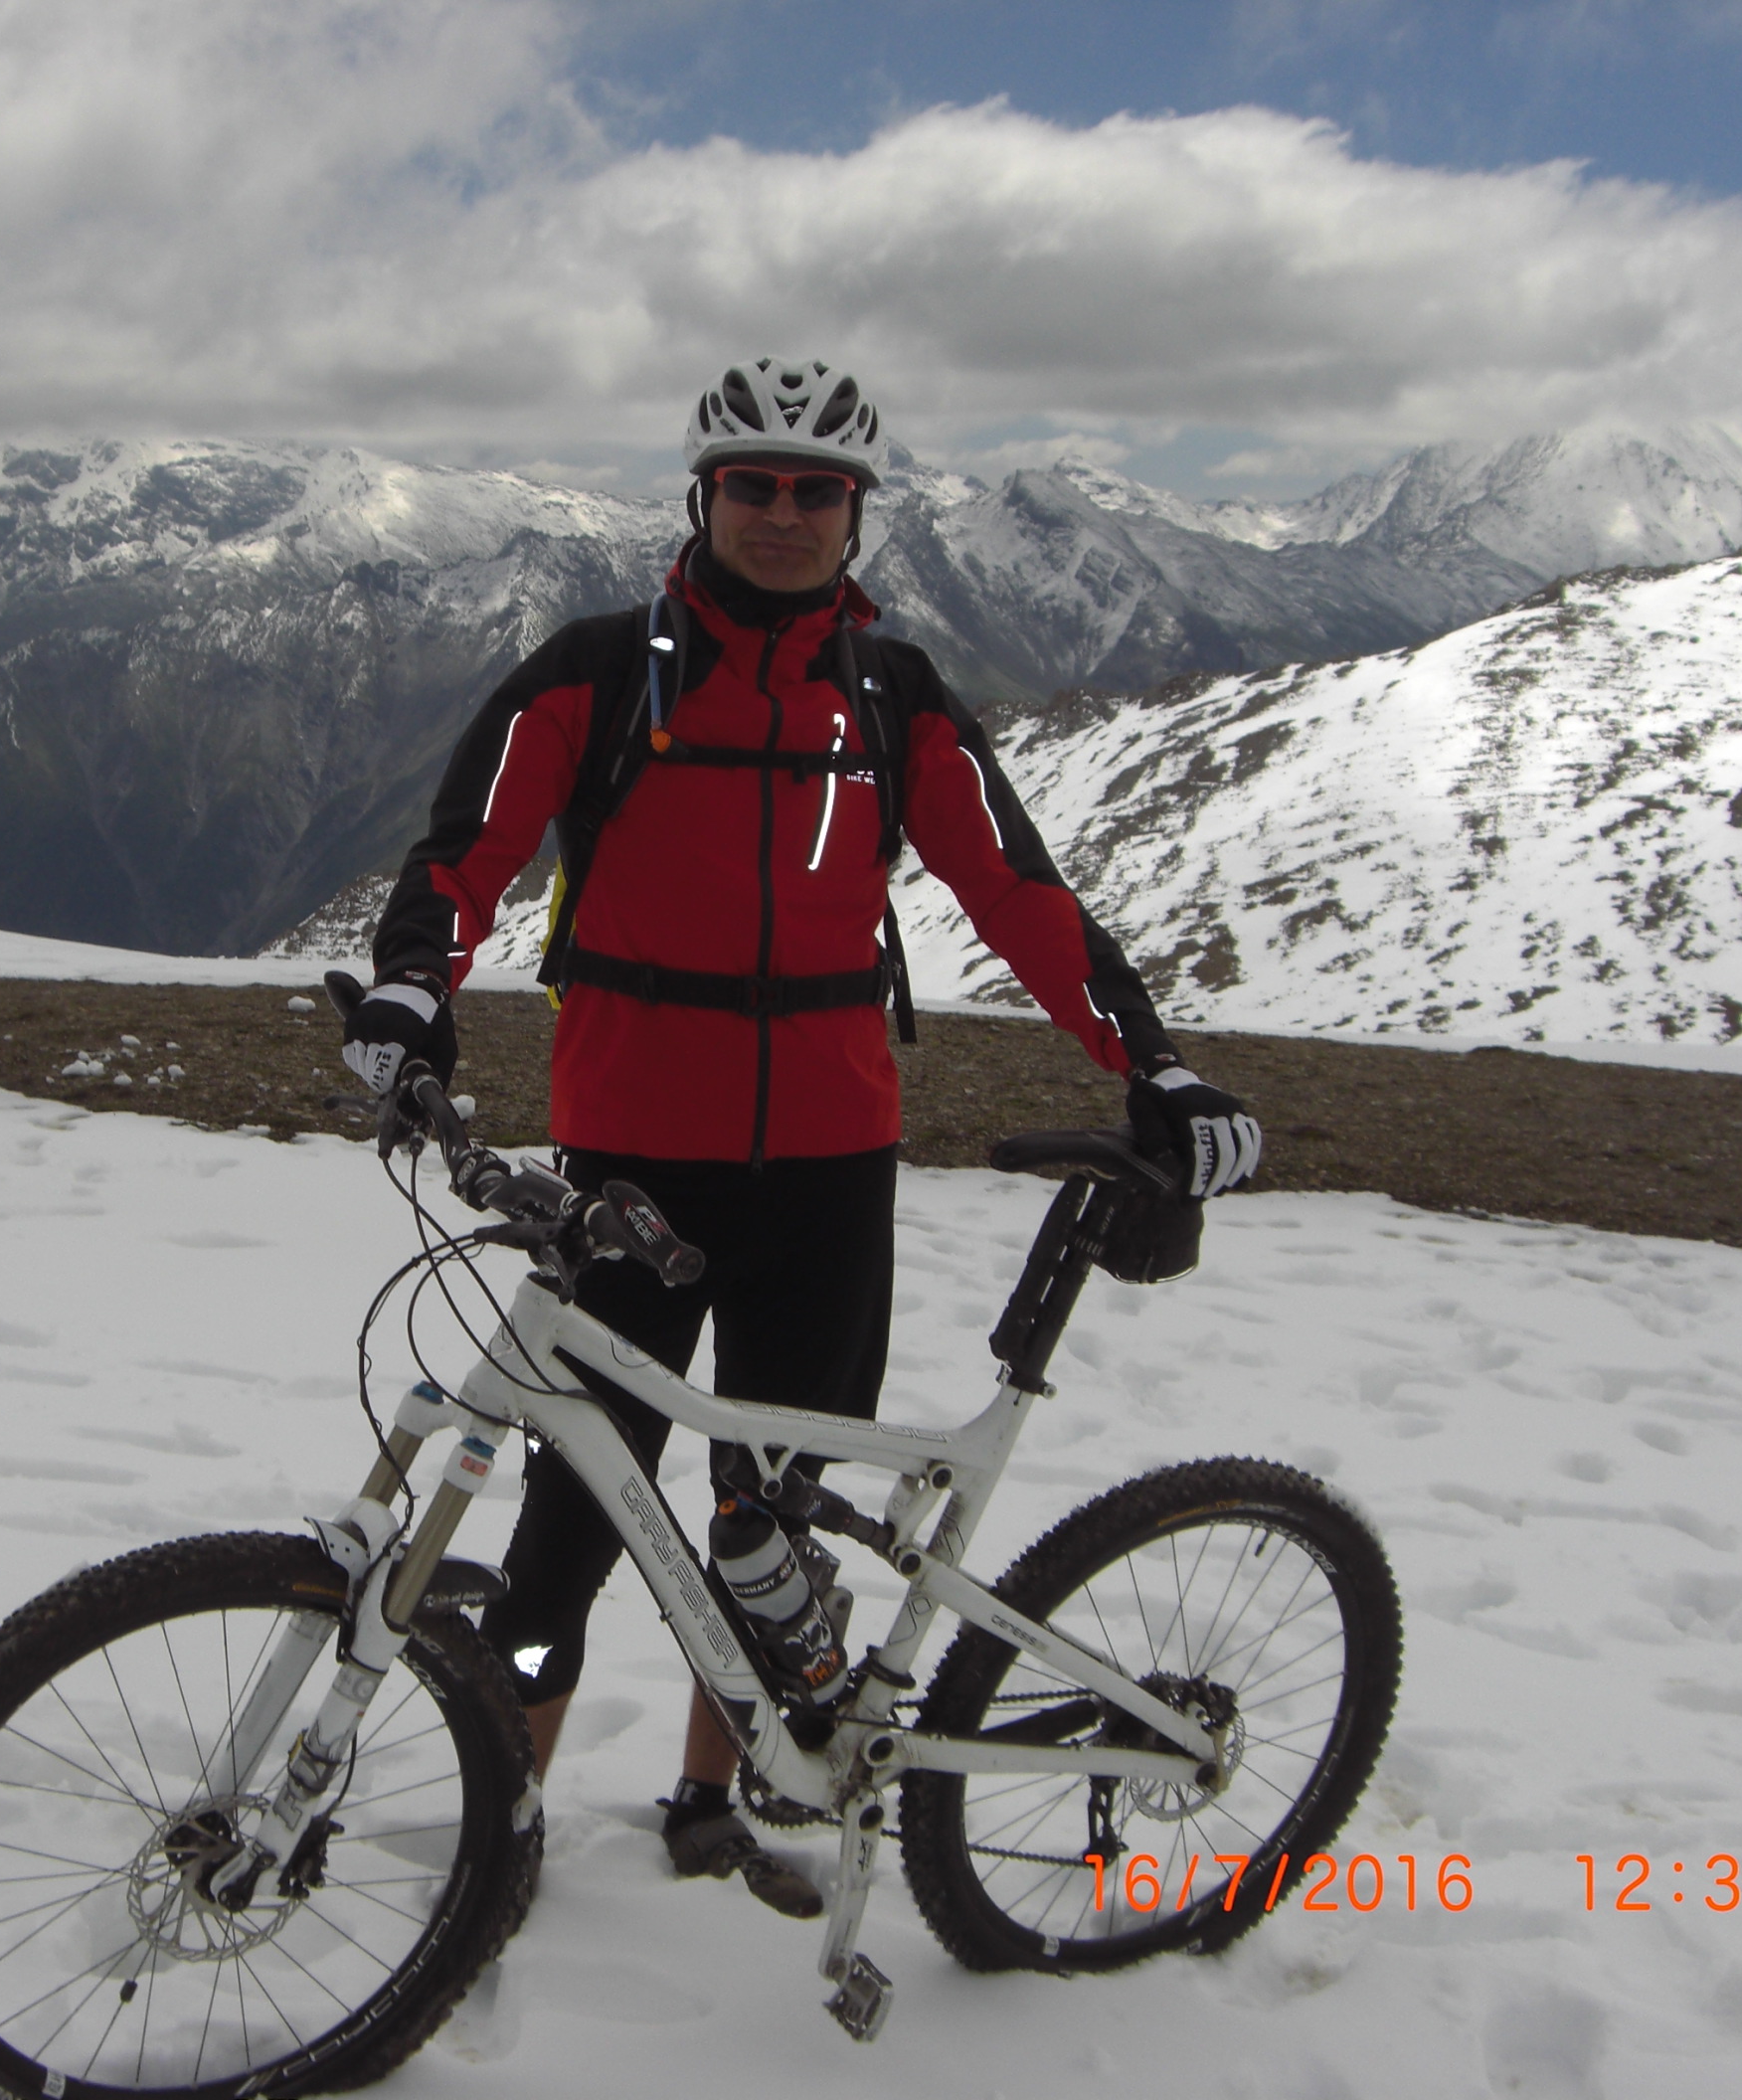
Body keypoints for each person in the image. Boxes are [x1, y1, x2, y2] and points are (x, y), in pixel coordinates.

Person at [340, 357, 1261, 1917]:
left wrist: (1155, 1066)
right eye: (753, 486)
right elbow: (462, 852)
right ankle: (509, 1821)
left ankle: (716, 1795)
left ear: (856, 512)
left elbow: (1021, 895)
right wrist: (413, 986)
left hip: (828, 1169)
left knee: (768, 1516)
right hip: (630, 1165)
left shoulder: (893, 698)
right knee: (566, 1527)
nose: (783, 513)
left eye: (815, 491)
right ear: (703, 499)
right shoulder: (593, 673)